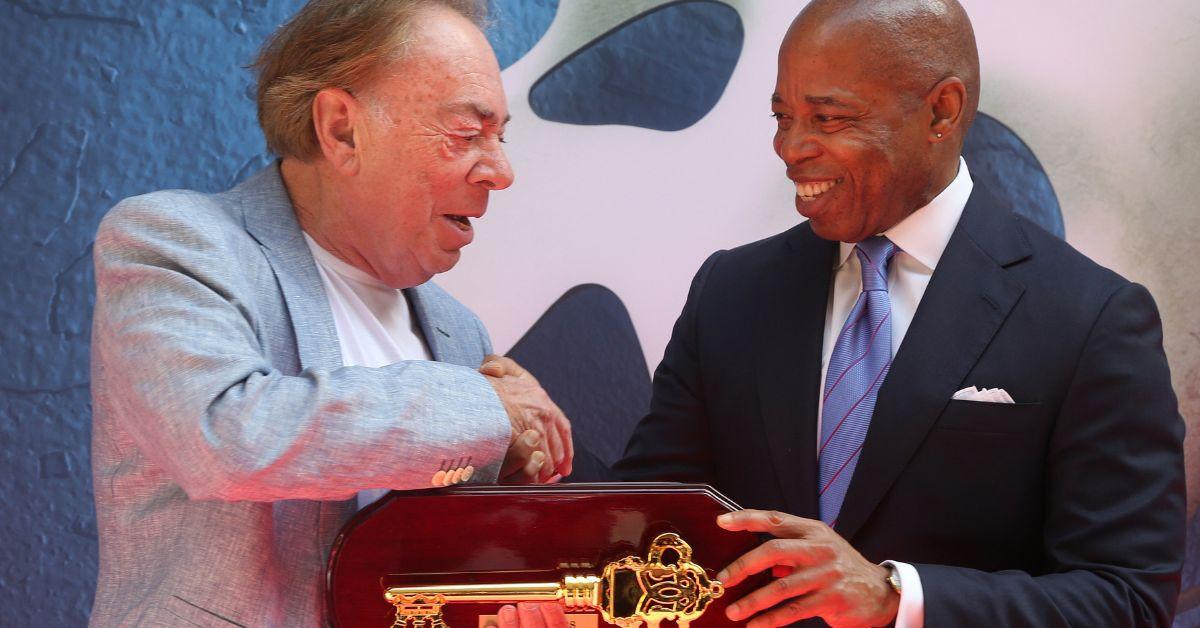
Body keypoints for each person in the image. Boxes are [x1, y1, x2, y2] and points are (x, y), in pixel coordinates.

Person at [613, 0, 1187, 626]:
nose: (791, 149)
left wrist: (897, 597)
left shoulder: (1093, 318)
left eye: (828, 119)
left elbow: (1125, 600)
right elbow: (645, 518)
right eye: (783, 117)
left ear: (942, 110)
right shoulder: (731, 290)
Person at [89, 1, 573, 625]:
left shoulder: (460, 332)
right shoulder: (173, 242)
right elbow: (225, 438)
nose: (501, 173)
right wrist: (485, 412)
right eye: (467, 132)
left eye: (499, 137)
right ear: (342, 130)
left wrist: (511, 485)